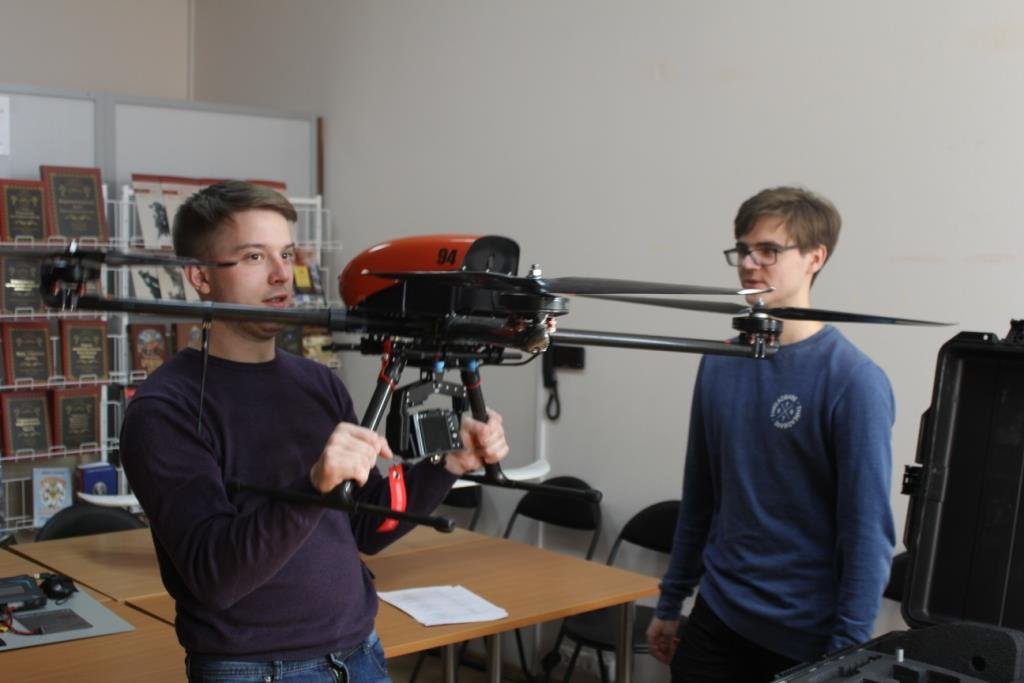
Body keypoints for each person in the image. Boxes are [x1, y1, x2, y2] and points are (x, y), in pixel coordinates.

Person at [120, 180, 511, 682]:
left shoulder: (317, 382)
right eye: (255, 257)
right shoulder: (164, 410)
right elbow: (215, 577)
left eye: (286, 254)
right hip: (256, 671)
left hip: (360, 654)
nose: (282, 274)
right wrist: (312, 487)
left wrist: (449, 463)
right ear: (200, 276)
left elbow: (366, 526)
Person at [646, 187, 896, 682]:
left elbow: (867, 533)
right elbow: (700, 495)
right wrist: (671, 600)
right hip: (719, 612)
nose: (748, 264)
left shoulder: (853, 381)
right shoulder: (721, 360)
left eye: (768, 250)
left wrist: (845, 655)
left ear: (815, 258)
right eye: (742, 250)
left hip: (805, 636)